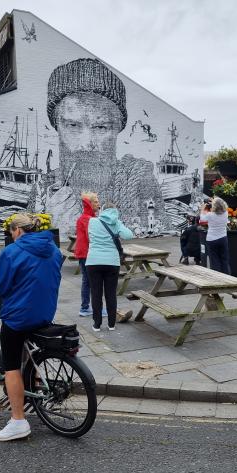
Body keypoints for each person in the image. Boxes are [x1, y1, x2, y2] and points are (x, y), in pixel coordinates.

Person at [45, 58, 166, 235]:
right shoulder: (42, 189)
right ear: (57, 126)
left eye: (101, 127)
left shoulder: (140, 181)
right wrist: (54, 229)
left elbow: (158, 231)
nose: (87, 144)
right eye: (73, 125)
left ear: (118, 129)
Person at [0, 213, 62, 441]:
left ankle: (18, 421)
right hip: (44, 313)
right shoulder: (53, 249)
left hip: (18, 317)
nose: (11, 236)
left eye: (11, 232)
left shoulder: (11, 252)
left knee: (10, 366)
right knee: (28, 352)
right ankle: (34, 385)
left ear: (18, 230)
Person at [86, 203, 134, 331]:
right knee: (111, 294)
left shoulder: (92, 221)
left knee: (96, 293)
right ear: (115, 211)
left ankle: (97, 324)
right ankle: (111, 324)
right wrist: (118, 225)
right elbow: (129, 235)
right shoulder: (116, 223)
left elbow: (88, 236)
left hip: (93, 261)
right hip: (112, 262)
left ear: (102, 210)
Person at [74, 192, 100, 317]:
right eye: (95, 201)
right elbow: (92, 237)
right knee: (89, 281)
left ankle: (86, 307)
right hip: (86, 253)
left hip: (84, 253)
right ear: (89, 204)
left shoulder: (86, 217)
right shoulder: (87, 219)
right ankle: (86, 308)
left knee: (88, 281)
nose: (98, 204)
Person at [200, 197, 230, 274]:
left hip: (212, 239)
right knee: (224, 259)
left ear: (214, 206)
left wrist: (202, 209)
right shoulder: (225, 213)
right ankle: (227, 277)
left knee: (214, 260)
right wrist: (215, 201)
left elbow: (202, 220)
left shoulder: (210, 215)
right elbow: (220, 205)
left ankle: (217, 278)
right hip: (223, 238)